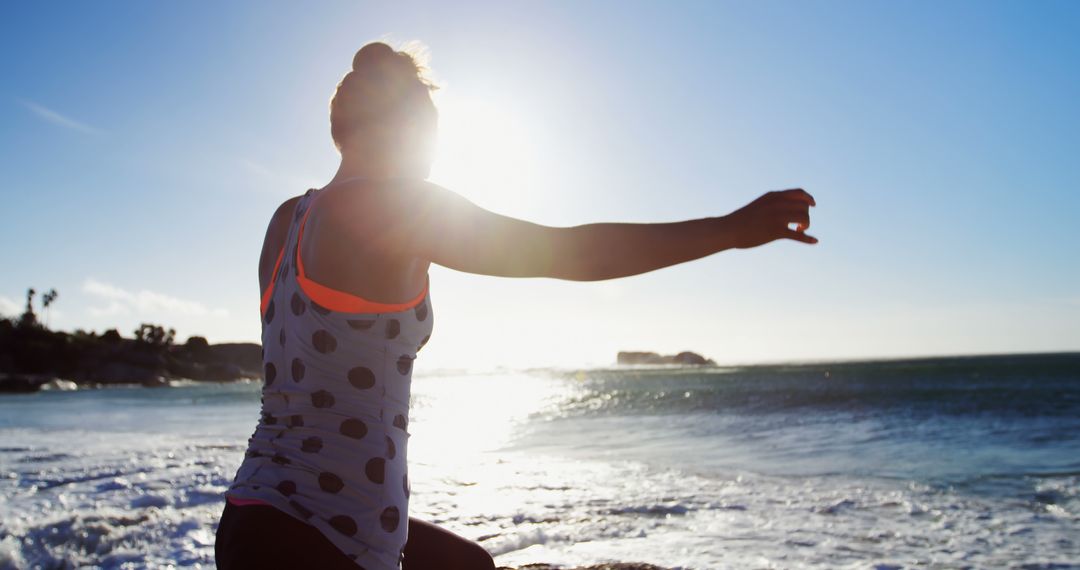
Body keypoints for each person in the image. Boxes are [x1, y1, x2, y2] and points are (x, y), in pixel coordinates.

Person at [215, 41, 817, 570]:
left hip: (261, 513)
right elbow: (568, 253)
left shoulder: (287, 217)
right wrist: (727, 230)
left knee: (467, 565)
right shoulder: (386, 206)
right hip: (310, 540)